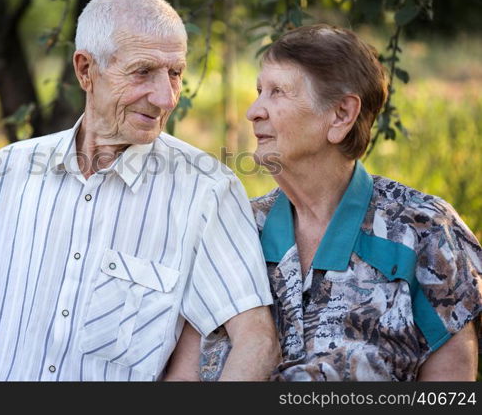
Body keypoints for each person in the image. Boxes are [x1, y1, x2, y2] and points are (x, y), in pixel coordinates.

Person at [0, 0, 278, 381]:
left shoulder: (206, 190)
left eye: (175, 73)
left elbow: (256, 341)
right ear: (85, 70)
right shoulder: (7, 170)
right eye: (143, 72)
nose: (166, 98)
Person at [175, 24, 481, 381]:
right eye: (260, 91)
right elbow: (185, 377)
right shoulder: (233, 226)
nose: (254, 111)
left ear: (341, 115)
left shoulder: (423, 231)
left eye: (278, 92)